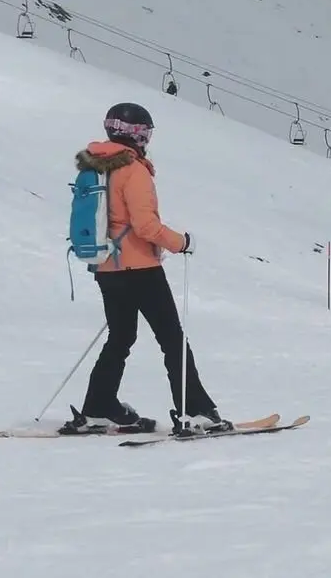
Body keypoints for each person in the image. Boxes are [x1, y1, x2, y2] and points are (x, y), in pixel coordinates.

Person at [59, 102, 233, 436]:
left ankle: (98, 407)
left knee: (120, 337)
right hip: (140, 269)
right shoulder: (133, 170)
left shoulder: (95, 167)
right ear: (136, 134)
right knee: (172, 340)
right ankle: (195, 411)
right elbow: (146, 226)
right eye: (145, 133)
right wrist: (181, 242)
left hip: (105, 267)